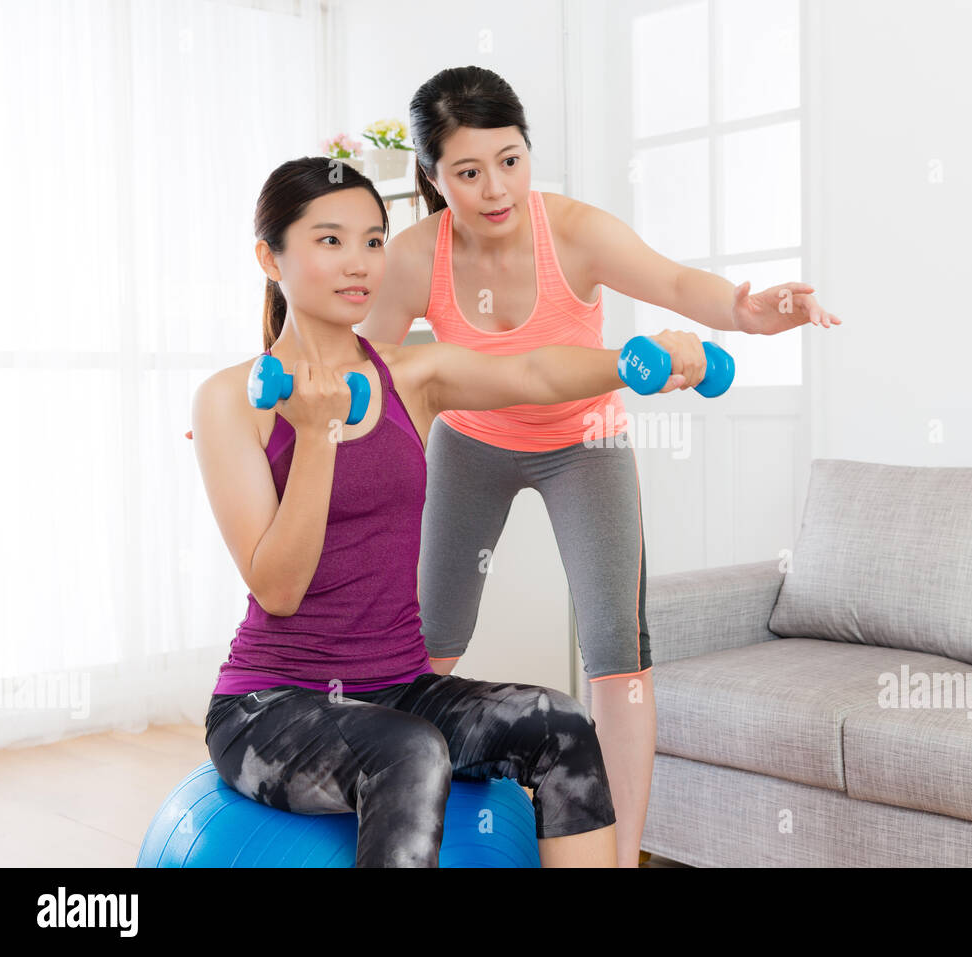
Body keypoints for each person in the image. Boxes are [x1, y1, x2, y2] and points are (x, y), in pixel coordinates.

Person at [359, 65, 841, 867]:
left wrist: (748, 314)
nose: (495, 188)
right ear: (433, 177)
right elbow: (354, 358)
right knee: (429, 642)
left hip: (586, 443)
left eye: (510, 159)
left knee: (618, 649)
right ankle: (380, 805)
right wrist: (257, 408)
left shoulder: (574, 231)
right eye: (468, 172)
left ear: (526, 150)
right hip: (471, 443)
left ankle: (621, 858)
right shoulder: (415, 256)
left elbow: (677, 280)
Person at [192, 155, 692, 867]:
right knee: (411, 752)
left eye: (373, 240)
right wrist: (314, 434)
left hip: (399, 687)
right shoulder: (227, 399)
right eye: (330, 240)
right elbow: (278, 586)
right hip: (269, 708)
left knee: (563, 724)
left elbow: (533, 371)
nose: (360, 261)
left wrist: (635, 359)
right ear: (269, 256)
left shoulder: (411, 372)